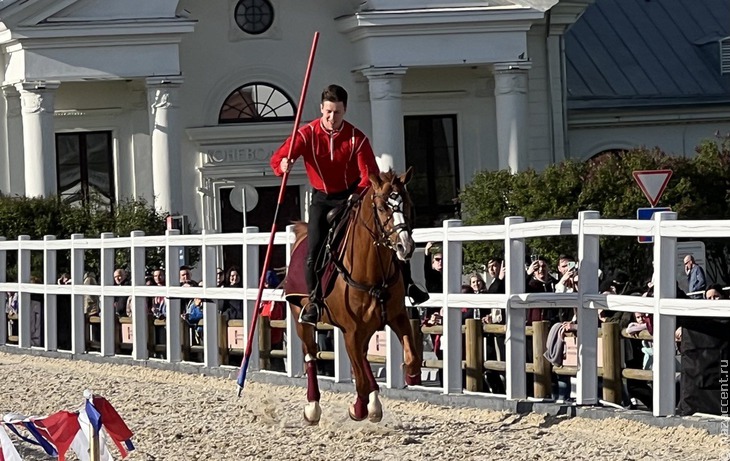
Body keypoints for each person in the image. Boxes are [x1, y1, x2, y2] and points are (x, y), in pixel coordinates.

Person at [270, 84, 428, 326]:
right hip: (322, 198)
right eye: (328, 112)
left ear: (345, 111)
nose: (332, 118)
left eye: (338, 113)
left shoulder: (356, 137)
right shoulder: (306, 134)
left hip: (354, 195)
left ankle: (408, 284)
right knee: (313, 249)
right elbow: (279, 157)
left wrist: (356, 194)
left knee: (386, 235)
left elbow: (370, 173)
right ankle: (313, 301)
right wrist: (283, 166)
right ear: (322, 109)